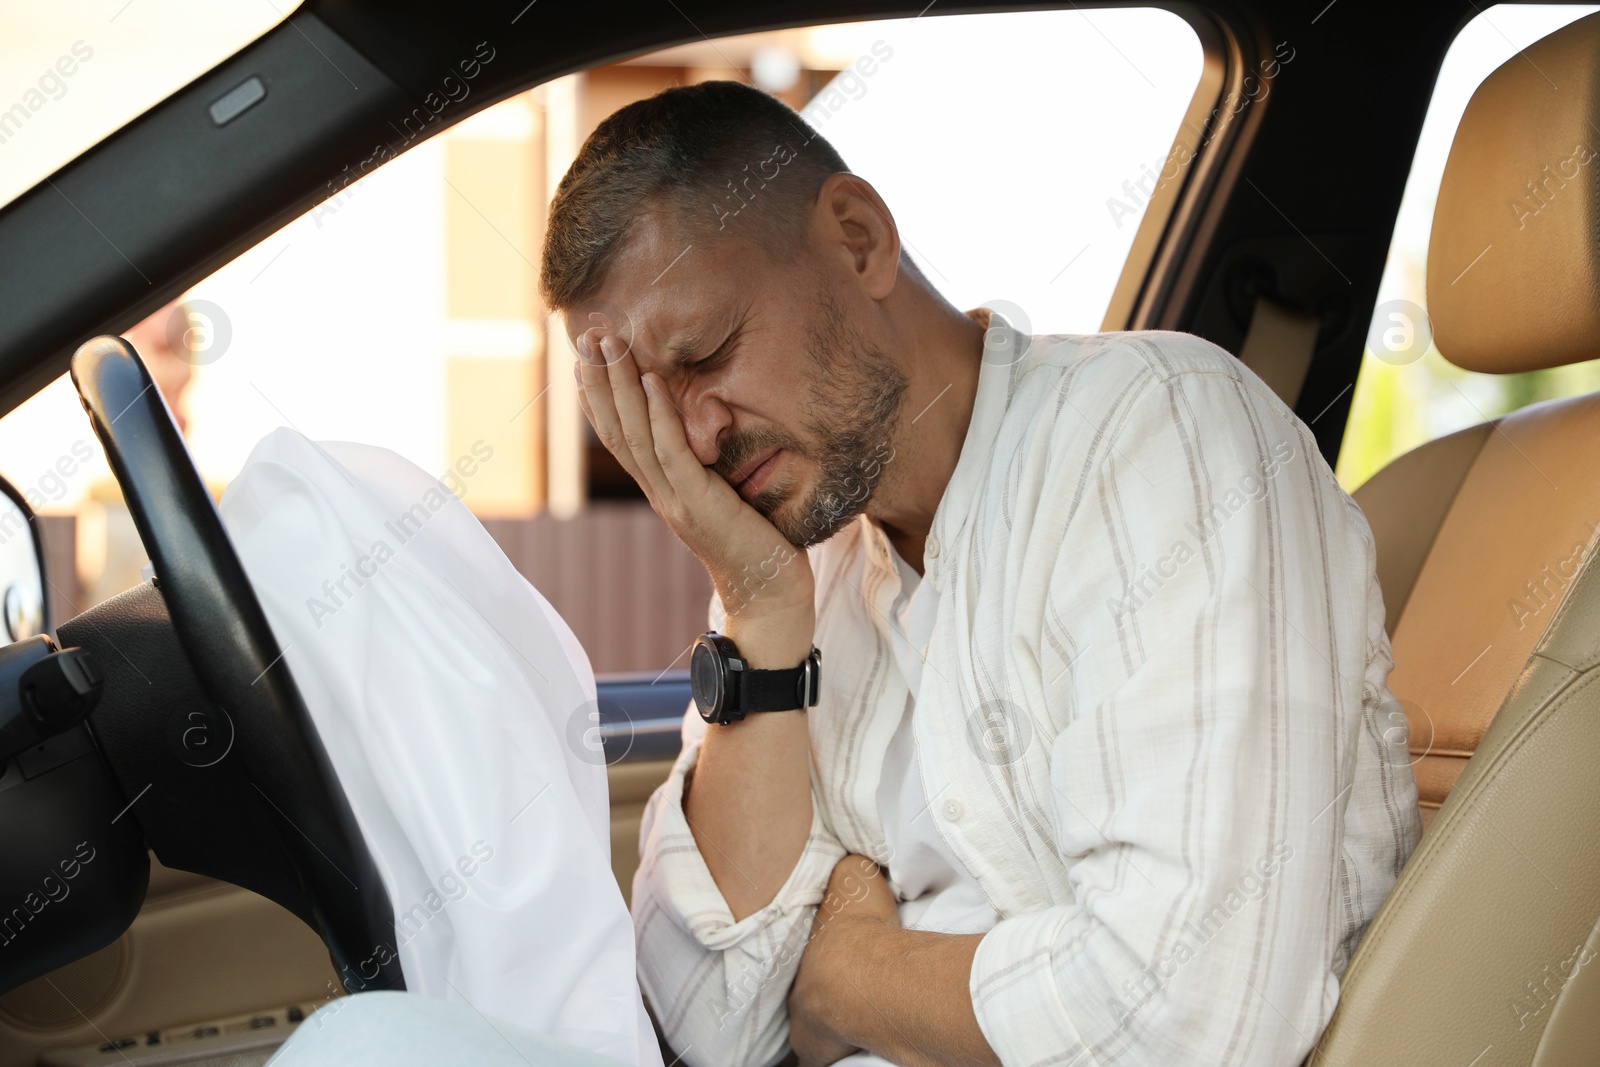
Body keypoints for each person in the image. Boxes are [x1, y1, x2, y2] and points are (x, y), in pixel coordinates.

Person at [541, 81, 1422, 1067]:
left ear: (858, 237)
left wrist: (843, 976)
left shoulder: (1155, 435)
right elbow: (709, 1022)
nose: (696, 436)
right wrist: (758, 608)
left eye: (706, 353)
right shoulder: (798, 574)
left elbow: (1187, 1015)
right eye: (648, 411)